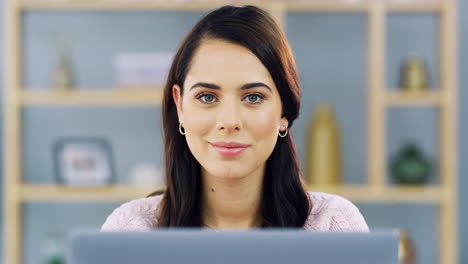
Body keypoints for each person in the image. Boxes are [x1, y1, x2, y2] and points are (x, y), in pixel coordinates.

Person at [101, 5, 369, 232]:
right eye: (207, 97)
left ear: (284, 112)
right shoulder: (132, 230)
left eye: (253, 97)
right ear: (180, 105)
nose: (229, 121)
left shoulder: (334, 227)